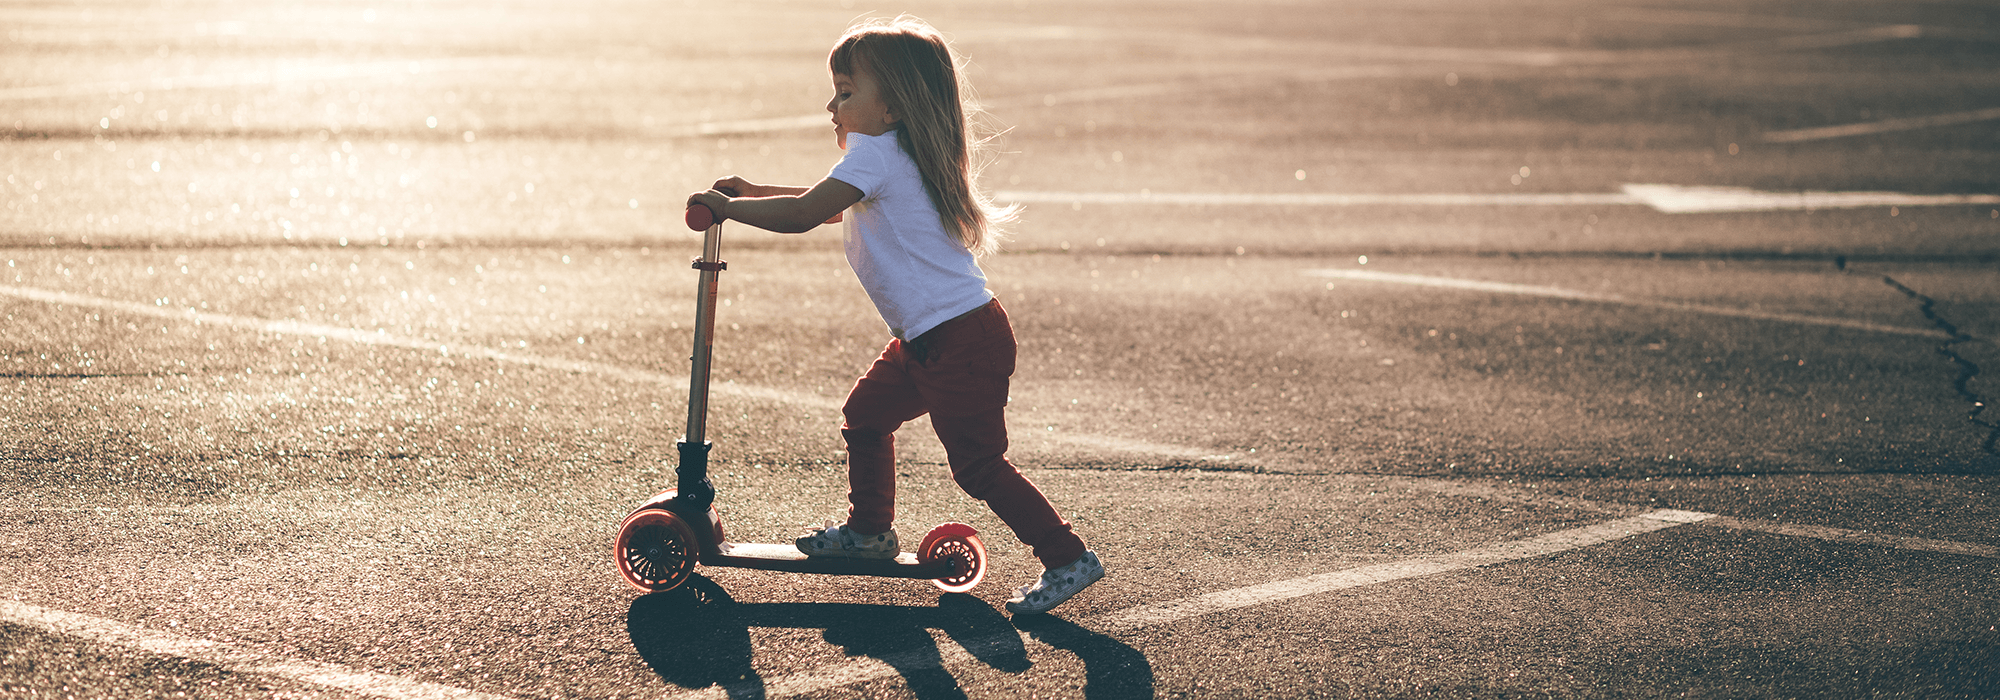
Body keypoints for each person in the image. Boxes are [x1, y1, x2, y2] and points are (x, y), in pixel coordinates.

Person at [684, 16, 1102, 615]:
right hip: (934, 337)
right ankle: (871, 532)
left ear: (893, 107)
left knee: (978, 465)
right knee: (866, 415)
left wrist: (730, 209)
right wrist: (752, 191)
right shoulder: (892, 152)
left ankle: (1066, 557)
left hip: (957, 340)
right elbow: (829, 207)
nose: (832, 105)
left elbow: (805, 214)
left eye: (847, 93)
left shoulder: (876, 156)